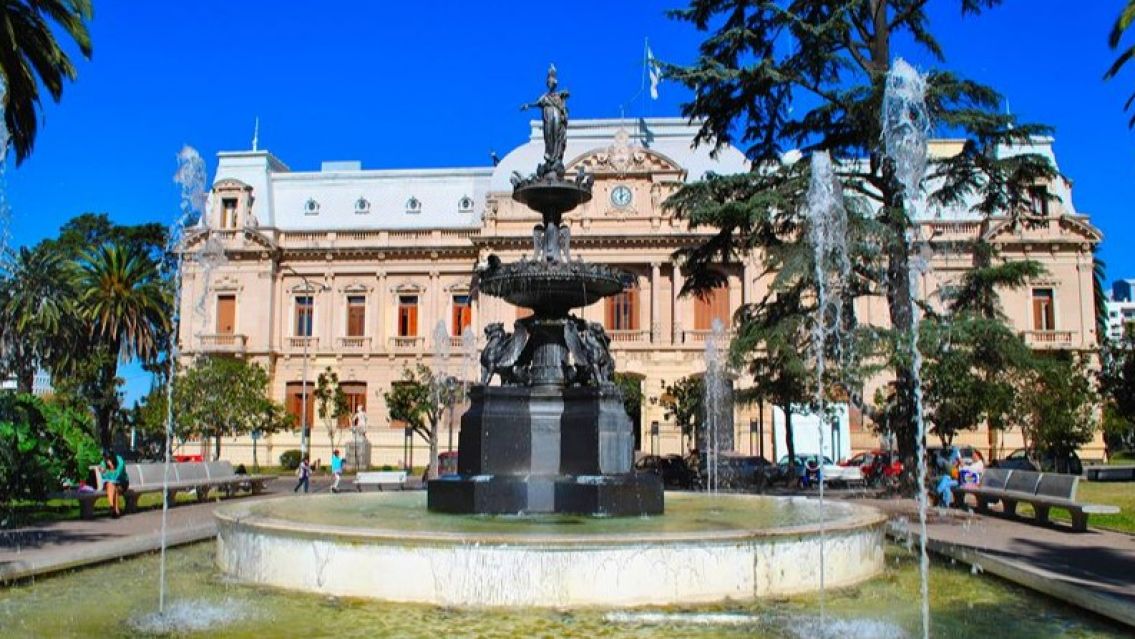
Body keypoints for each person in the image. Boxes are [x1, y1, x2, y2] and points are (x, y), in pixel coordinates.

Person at [99, 450, 127, 518]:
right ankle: (113, 508)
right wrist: (108, 472)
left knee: (114, 486)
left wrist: (110, 468)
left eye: (110, 458)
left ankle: (114, 509)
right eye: (106, 459)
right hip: (110, 485)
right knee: (111, 484)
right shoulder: (103, 463)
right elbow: (104, 477)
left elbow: (116, 476)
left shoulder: (120, 461)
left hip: (122, 483)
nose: (108, 461)